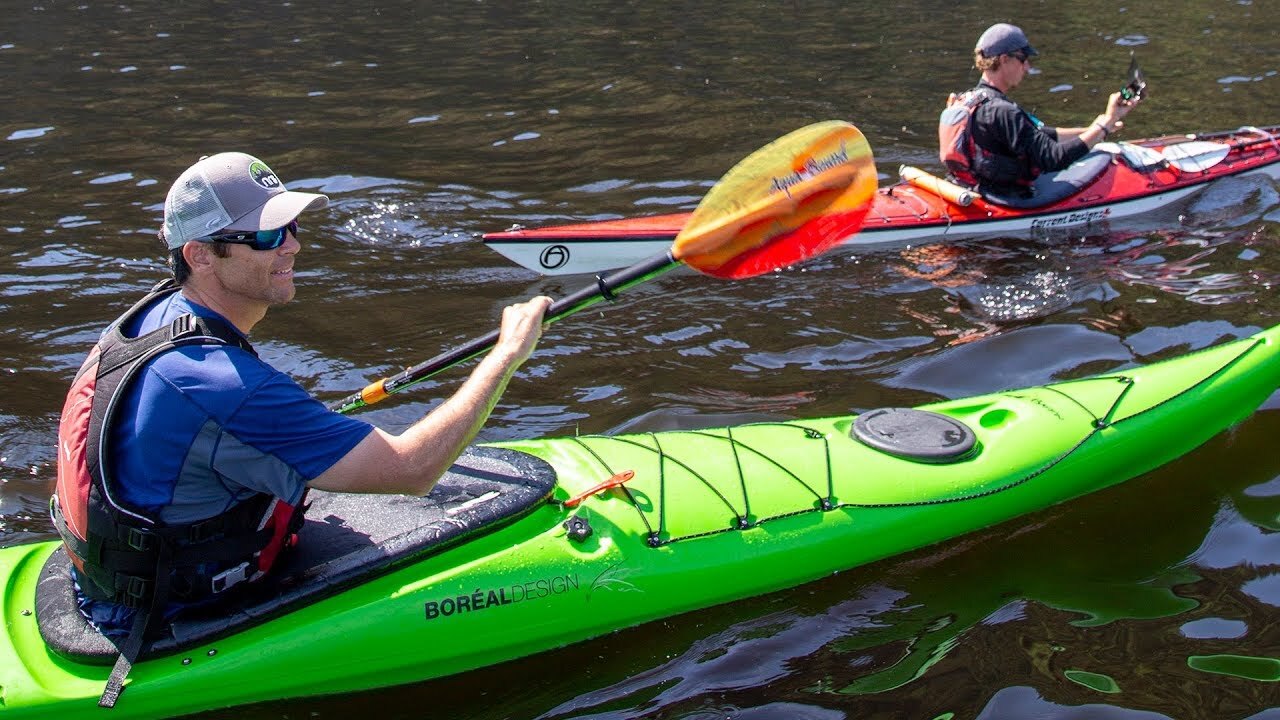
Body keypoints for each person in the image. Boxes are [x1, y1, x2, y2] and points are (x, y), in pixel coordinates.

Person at [51, 152, 552, 650]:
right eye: (267, 235)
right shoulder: (224, 386)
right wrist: (506, 355)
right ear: (199, 255)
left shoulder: (156, 315)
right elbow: (412, 471)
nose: (291, 246)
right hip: (167, 614)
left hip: (107, 579)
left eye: (291, 225)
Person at [939, 22, 1143, 196]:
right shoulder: (1003, 111)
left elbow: (1042, 135)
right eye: (1023, 60)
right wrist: (1104, 126)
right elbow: (1053, 159)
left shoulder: (971, 100)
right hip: (1004, 199)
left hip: (969, 187)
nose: (1027, 67)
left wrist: (1097, 128)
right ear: (1004, 60)